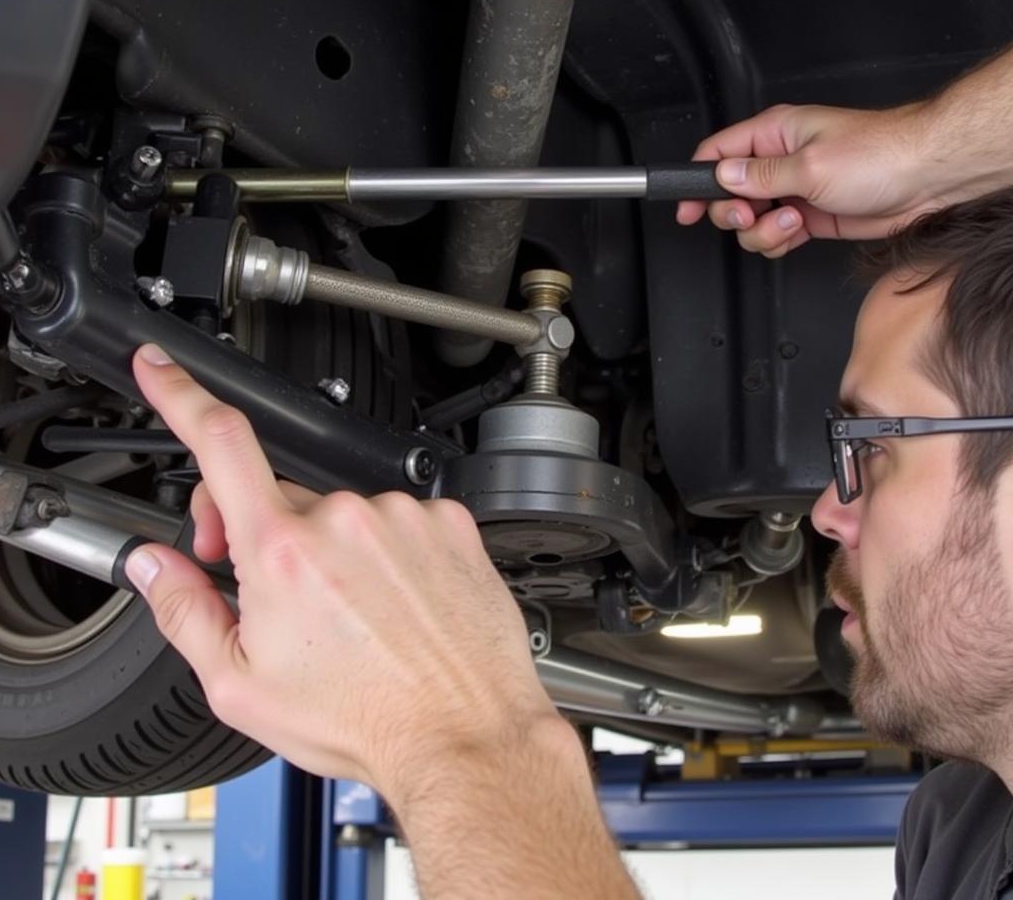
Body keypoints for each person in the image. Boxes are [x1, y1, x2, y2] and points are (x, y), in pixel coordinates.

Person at [123, 44, 1013, 899]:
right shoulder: (958, 830)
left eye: (875, 449)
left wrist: (463, 747)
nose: (825, 512)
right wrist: (929, 150)